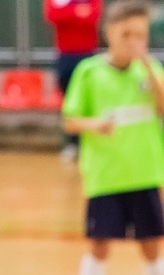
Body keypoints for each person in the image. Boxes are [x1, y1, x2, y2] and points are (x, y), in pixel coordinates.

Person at [60, 0, 164, 275]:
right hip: (105, 176)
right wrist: (94, 125)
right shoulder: (88, 72)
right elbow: (69, 118)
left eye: (140, 35)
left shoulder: (150, 70)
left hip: (145, 173)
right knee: (99, 246)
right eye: (126, 34)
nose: (133, 41)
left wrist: (147, 65)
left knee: (152, 246)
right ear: (109, 33)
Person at [43, 0, 100, 161]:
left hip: (87, 55)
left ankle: (89, 142)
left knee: (90, 101)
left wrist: (68, 13)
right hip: (65, 56)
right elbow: (52, 15)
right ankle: (73, 143)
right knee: (69, 102)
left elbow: (93, 16)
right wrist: (77, 11)